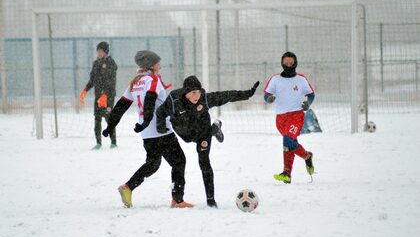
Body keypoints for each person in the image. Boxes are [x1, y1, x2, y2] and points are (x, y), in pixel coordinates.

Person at [102, 50, 193, 209]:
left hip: (147, 134)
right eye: (158, 62)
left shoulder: (135, 82)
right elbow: (150, 102)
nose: (160, 64)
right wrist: (147, 121)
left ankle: (128, 187)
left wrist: (111, 125)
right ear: (151, 65)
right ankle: (177, 200)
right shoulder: (152, 80)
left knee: (153, 163)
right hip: (161, 130)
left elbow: (121, 106)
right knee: (179, 162)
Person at [155, 75, 260, 208]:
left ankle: (211, 200)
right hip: (186, 134)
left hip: (203, 133)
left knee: (204, 162)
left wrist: (247, 94)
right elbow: (160, 112)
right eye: (193, 92)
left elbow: (225, 96)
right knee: (188, 139)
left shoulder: (204, 99)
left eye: (198, 92)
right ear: (185, 92)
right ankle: (215, 129)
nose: (197, 95)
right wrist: (160, 127)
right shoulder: (174, 101)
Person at [263, 51, 315, 184]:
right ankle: (307, 156)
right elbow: (266, 94)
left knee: (287, 140)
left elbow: (311, 94)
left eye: (291, 63)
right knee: (289, 144)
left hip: (296, 115)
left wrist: (308, 103)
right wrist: (269, 98)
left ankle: (286, 173)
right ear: (282, 63)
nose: (288, 65)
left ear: (295, 63)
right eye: (286, 63)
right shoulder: (275, 79)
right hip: (280, 118)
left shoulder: (301, 79)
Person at [79, 41, 118, 150]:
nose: (99, 53)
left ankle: (113, 142)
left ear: (105, 52)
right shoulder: (95, 63)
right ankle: (98, 143)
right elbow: (92, 80)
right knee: (97, 119)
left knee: (109, 119)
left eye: (101, 51)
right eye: (98, 51)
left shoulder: (111, 63)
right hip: (98, 97)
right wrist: (85, 91)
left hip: (108, 96)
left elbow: (110, 80)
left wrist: (105, 94)